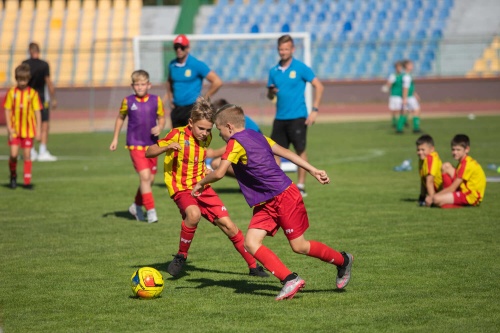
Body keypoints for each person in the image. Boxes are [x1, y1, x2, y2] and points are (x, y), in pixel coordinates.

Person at [192, 104, 353, 301]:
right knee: (251, 243)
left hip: (284, 196)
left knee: (299, 246)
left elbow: (219, 172)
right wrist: (312, 169)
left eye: (219, 130)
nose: (220, 135)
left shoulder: (235, 143)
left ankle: (343, 260)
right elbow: (285, 152)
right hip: (266, 202)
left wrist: (200, 182)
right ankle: (290, 279)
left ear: (229, 127)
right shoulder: (257, 135)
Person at [145, 97, 269, 278]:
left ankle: (253, 267)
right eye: (200, 128)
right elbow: (149, 152)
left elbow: (198, 156)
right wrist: (166, 147)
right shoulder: (176, 135)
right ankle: (181, 256)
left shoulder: (206, 138)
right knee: (193, 214)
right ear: (190, 123)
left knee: (229, 226)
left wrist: (204, 168)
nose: (204, 133)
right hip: (182, 188)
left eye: (208, 130)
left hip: (202, 187)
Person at [267, 34, 324, 197]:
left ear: (292, 49)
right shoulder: (273, 71)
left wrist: (315, 110)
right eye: (281, 49)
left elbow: (319, 86)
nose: (283, 52)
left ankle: (301, 185)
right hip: (279, 117)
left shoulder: (301, 68)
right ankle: (278, 186)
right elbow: (270, 96)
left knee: (300, 150)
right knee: (274, 152)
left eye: (286, 49)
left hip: (298, 117)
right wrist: (270, 92)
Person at [109, 70, 165, 223]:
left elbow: (162, 118)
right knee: (145, 177)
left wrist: (160, 127)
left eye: (143, 84)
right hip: (135, 145)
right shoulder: (128, 101)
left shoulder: (156, 100)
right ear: (132, 86)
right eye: (137, 85)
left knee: (150, 180)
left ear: (149, 85)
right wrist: (115, 138)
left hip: (153, 145)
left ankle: (136, 205)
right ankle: (151, 211)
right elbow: (120, 118)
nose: (140, 87)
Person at [164, 34, 223, 129]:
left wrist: (204, 98)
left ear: (188, 48)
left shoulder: (196, 64)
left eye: (182, 47)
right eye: (176, 47)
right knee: (176, 140)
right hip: (176, 108)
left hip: (191, 108)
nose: (179, 49)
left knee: (191, 141)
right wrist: (170, 97)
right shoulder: (172, 65)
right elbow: (169, 81)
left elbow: (217, 81)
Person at [4, 63, 42, 189]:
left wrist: (38, 130)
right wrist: (9, 128)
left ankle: (26, 181)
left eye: (24, 79)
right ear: (16, 79)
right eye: (20, 79)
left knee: (27, 155)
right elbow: (7, 110)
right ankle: (13, 175)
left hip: (28, 131)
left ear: (28, 79)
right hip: (15, 130)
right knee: (13, 155)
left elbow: (37, 113)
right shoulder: (12, 93)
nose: (22, 82)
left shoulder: (33, 94)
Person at [206, 98, 261, 177]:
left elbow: (236, 145)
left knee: (217, 163)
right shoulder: (239, 120)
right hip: (251, 158)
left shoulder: (240, 123)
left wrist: (214, 153)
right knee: (217, 162)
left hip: (255, 160)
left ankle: (252, 181)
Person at [22, 42, 57, 161]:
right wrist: (54, 99)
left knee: (29, 124)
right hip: (42, 97)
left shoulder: (25, 64)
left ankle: (31, 150)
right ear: (38, 51)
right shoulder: (44, 65)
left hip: (28, 98)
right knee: (45, 124)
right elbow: (48, 82)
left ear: (30, 51)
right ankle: (42, 151)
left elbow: (22, 82)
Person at [432, 134, 486, 208]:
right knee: (446, 166)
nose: (455, 152)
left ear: (467, 149)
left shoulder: (466, 164)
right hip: (465, 190)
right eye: (453, 149)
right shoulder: (464, 161)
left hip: (470, 196)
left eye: (458, 150)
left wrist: (433, 196)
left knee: (436, 199)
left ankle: (463, 205)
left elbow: (453, 188)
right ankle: (448, 198)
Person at [416, 134, 443, 207]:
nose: (420, 152)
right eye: (418, 150)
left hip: (442, 190)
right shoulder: (422, 159)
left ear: (432, 149)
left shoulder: (430, 158)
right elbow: (423, 180)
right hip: (437, 191)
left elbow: (429, 181)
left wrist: (432, 200)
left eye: (423, 150)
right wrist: (422, 197)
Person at [396, 59, 421, 134]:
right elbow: (405, 88)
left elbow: (409, 87)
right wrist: (404, 98)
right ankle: (416, 128)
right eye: (410, 65)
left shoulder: (405, 75)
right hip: (408, 97)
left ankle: (399, 129)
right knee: (416, 110)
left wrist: (415, 93)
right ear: (406, 66)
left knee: (404, 112)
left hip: (408, 96)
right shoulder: (406, 76)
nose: (412, 66)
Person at [381, 60, 404, 128]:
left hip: (401, 95)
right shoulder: (393, 76)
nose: (399, 68)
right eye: (398, 67)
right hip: (394, 95)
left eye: (400, 67)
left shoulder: (403, 76)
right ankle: (394, 122)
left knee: (402, 110)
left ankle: (401, 122)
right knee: (394, 110)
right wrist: (386, 87)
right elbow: (389, 84)